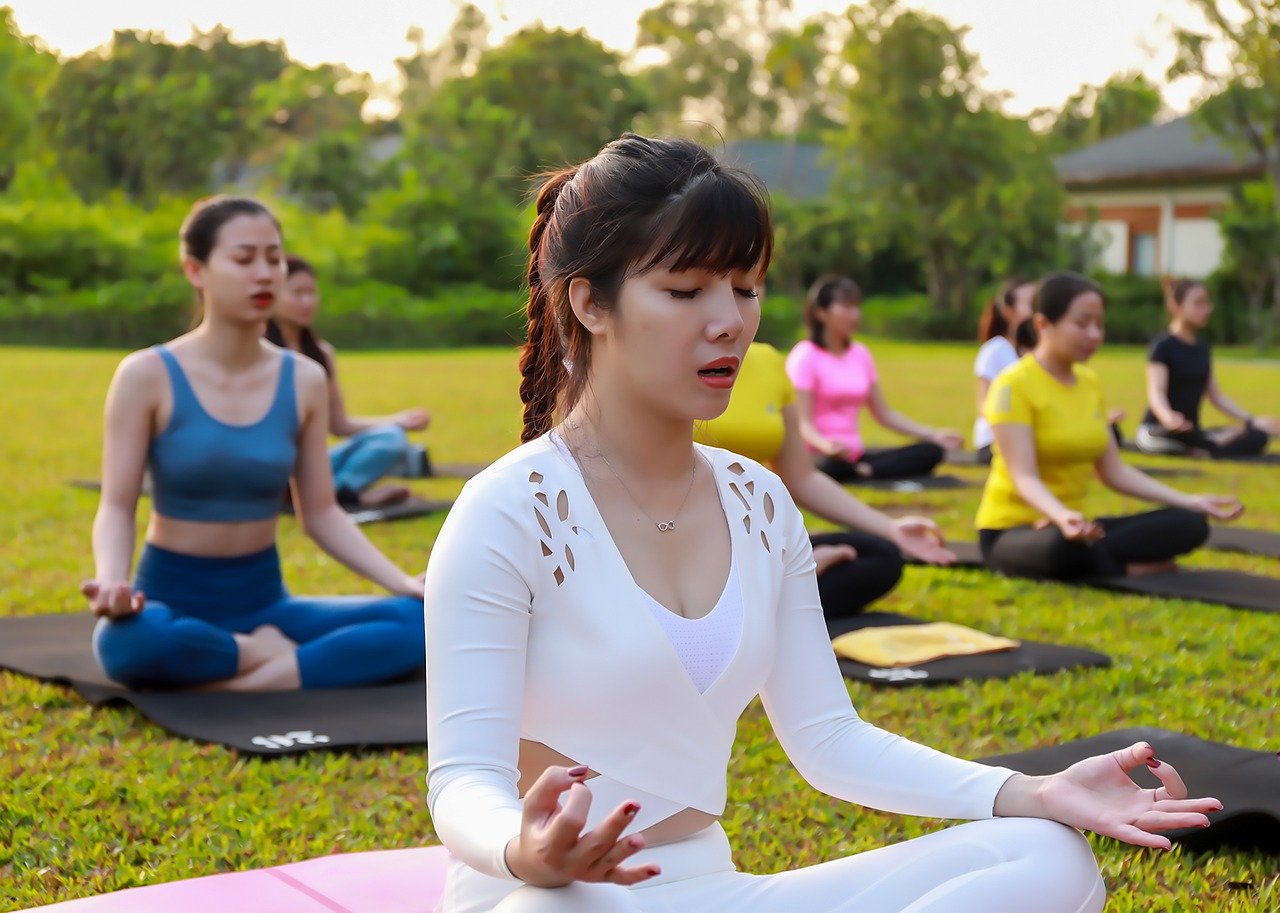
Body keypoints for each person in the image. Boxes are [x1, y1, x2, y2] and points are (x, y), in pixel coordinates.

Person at [424, 135, 1220, 913]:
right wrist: (521, 847)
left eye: (745, 286)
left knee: (1043, 851)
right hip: (551, 897)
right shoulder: (508, 509)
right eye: (685, 290)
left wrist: (1034, 789)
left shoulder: (759, 501)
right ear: (589, 301)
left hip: (714, 888)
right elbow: (462, 778)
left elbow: (830, 738)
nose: (730, 320)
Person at [84, 196, 425, 691]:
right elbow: (116, 505)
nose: (265, 274)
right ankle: (266, 657)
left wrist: (402, 583)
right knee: (127, 642)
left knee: (415, 622)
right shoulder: (146, 375)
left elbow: (322, 513)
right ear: (195, 270)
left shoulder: (304, 379)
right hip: (169, 598)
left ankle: (246, 681)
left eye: (274, 258)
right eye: (244, 259)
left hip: (265, 602)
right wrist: (114, 581)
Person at [977, 272, 1244, 581]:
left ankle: (1098, 557)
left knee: (1190, 523)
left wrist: (1188, 500)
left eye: (1099, 324)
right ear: (1042, 325)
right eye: (1081, 323)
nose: (1094, 335)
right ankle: (1132, 567)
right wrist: (1059, 514)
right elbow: (1024, 477)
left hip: (1077, 526)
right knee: (1061, 550)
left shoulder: (1089, 383)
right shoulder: (1013, 385)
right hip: (1014, 530)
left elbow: (1114, 471)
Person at [695, 340, 954, 619]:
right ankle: (772, 589)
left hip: (757, 544)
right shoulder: (660, 361)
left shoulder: (768, 360)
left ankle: (771, 591)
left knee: (879, 556)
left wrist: (891, 528)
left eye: (747, 294)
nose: (734, 314)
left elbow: (802, 477)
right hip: (684, 552)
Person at [266, 255, 433, 510]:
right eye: (297, 293)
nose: (307, 301)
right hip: (270, 465)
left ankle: (338, 492)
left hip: (316, 465)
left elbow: (339, 424)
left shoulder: (322, 354)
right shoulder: (257, 351)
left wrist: (398, 420)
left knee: (392, 438)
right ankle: (341, 494)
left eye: (312, 293)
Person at [786, 275, 963, 482]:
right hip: (820, 454)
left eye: (856, 307)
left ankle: (863, 471)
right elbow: (803, 423)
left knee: (930, 452)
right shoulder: (805, 355)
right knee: (829, 466)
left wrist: (932, 434)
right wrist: (825, 445)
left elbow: (884, 414)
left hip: (854, 454)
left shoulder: (860, 354)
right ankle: (864, 471)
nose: (855, 314)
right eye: (846, 307)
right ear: (820, 313)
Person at [1136, 277, 1277, 458]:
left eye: (1207, 302)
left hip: (1192, 431)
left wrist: (1251, 421)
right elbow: (1156, 393)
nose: (1207, 309)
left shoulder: (1202, 348)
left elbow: (1216, 396)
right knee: (1188, 438)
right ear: (1175, 306)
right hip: (1161, 430)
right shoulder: (1163, 346)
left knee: (1258, 437)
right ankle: (1212, 445)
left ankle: (1210, 445)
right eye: (1198, 303)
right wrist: (1168, 417)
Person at [973, 277, 1037, 463]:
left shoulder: (1042, 351)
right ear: (1009, 311)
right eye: (1031, 304)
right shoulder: (996, 350)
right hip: (996, 440)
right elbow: (984, 406)